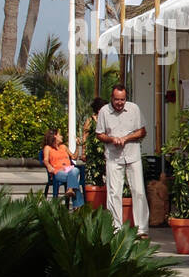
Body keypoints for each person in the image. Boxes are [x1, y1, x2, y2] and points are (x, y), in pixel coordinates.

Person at [96, 83, 150, 238]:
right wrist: (112, 139)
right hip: (113, 157)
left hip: (132, 155)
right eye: (117, 99)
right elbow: (99, 134)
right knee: (114, 193)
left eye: (123, 99)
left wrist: (126, 138)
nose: (120, 103)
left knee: (139, 191)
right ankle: (115, 229)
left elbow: (142, 131)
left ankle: (141, 230)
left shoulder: (134, 109)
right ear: (111, 98)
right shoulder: (104, 112)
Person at [42, 129, 84, 209]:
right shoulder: (48, 148)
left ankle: (70, 189)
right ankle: (78, 207)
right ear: (55, 136)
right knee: (74, 176)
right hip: (58, 172)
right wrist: (48, 166)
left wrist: (78, 146)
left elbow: (74, 157)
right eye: (60, 135)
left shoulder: (64, 147)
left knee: (74, 170)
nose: (62, 136)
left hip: (69, 169)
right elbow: (45, 160)